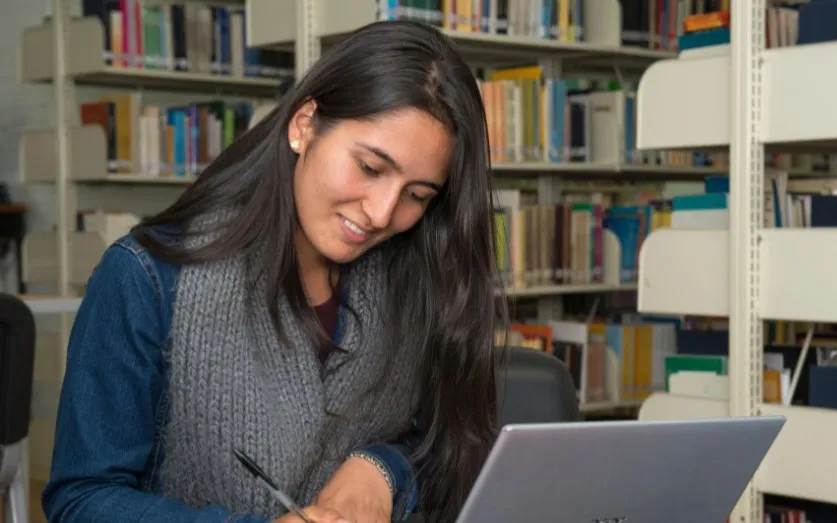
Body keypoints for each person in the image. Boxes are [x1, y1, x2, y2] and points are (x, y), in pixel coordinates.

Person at [41, 20, 506, 523]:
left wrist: (382, 469)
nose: (381, 212)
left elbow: (441, 439)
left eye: (417, 195)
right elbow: (83, 499)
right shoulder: (145, 277)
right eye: (370, 168)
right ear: (304, 125)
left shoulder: (411, 274)